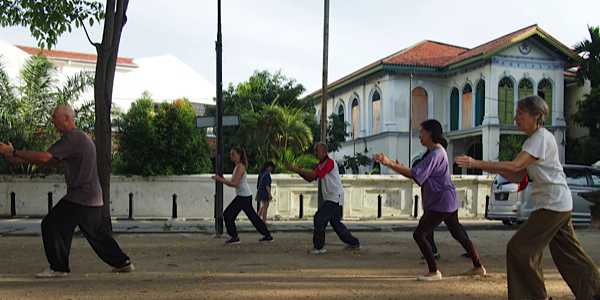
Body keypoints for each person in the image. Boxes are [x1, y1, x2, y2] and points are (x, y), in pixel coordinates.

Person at [455, 95, 600, 300]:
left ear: (536, 116)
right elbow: (517, 174)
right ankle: (594, 291)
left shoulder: (540, 137)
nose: (516, 118)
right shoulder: (536, 140)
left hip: (553, 204)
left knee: (519, 249)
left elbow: (515, 166)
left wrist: (476, 163)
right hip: (556, 203)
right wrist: (489, 168)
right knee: (569, 255)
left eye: (520, 114)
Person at [0, 105, 134, 278]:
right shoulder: (76, 139)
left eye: (54, 117)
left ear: (66, 118)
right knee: (96, 234)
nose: (52, 121)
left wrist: (14, 151)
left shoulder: (74, 138)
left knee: (51, 224)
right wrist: (14, 157)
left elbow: (45, 157)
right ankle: (123, 262)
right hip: (90, 197)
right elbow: (48, 160)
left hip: (81, 196)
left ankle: (58, 267)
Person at [374, 119, 485, 281]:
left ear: (430, 133)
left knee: (420, 235)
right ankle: (478, 266)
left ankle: (434, 271)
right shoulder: (436, 152)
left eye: (422, 132)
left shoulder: (436, 153)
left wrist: (389, 163)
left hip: (440, 202)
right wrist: (396, 165)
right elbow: (416, 172)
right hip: (446, 200)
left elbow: (414, 174)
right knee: (458, 233)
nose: (420, 136)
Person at [287, 142, 360, 254]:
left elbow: (314, 175)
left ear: (324, 152)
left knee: (319, 218)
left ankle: (319, 247)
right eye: (315, 151)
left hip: (334, 197)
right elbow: (310, 178)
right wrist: (298, 171)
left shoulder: (330, 163)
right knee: (336, 224)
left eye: (317, 151)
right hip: (332, 197)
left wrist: (297, 170)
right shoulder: (320, 165)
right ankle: (354, 242)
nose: (315, 153)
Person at [212, 147, 273, 244]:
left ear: (239, 155)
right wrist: (222, 179)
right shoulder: (238, 166)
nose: (231, 156)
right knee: (253, 217)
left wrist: (220, 179)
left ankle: (234, 237)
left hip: (243, 197)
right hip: (244, 196)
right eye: (231, 154)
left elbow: (234, 183)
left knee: (228, 214)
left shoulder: (240, 167)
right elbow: (234, 181)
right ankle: (267, 235)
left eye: (233, 154)